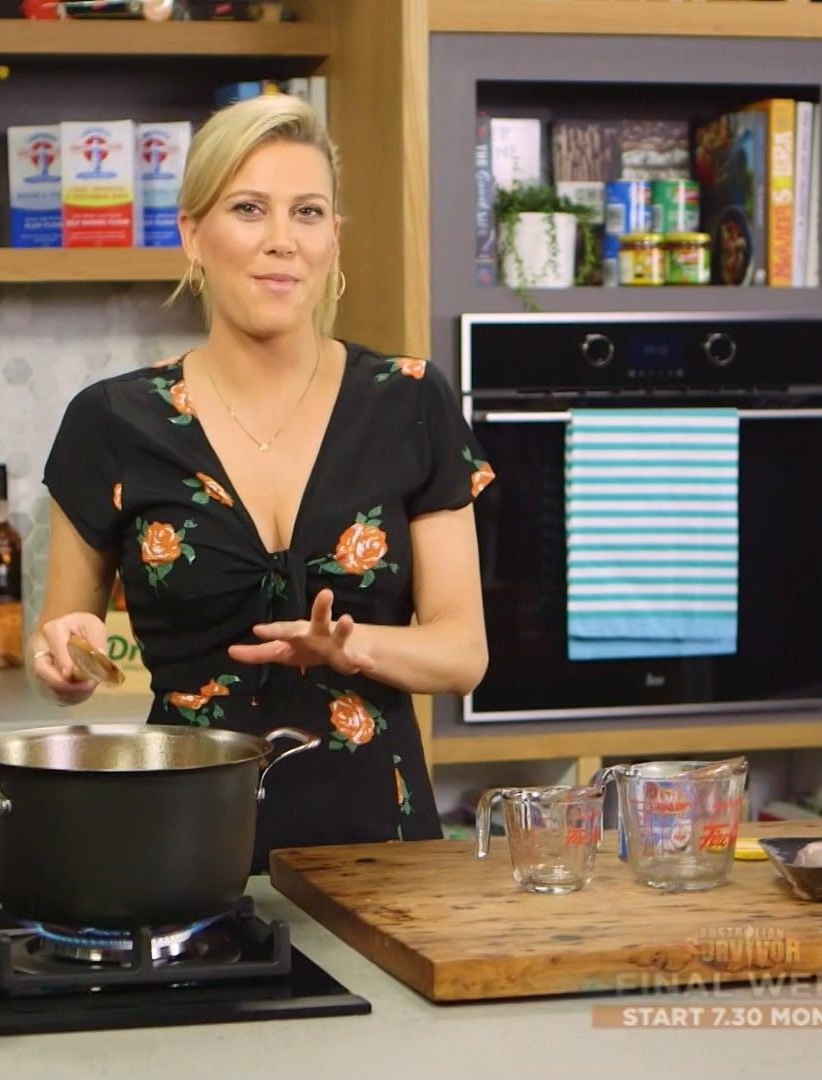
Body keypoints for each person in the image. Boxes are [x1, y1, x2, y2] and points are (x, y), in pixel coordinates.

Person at [31, 93, 495, 868]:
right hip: (182, 848)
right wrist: (63, 662)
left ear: (333, 239)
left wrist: (349, 646)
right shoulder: (110, 422)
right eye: (249, 209)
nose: (283, 240)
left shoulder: (411, 401)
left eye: (307, 213)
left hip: (383, 855)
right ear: (192, 235)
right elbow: (60, 654)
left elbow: (462, 653)